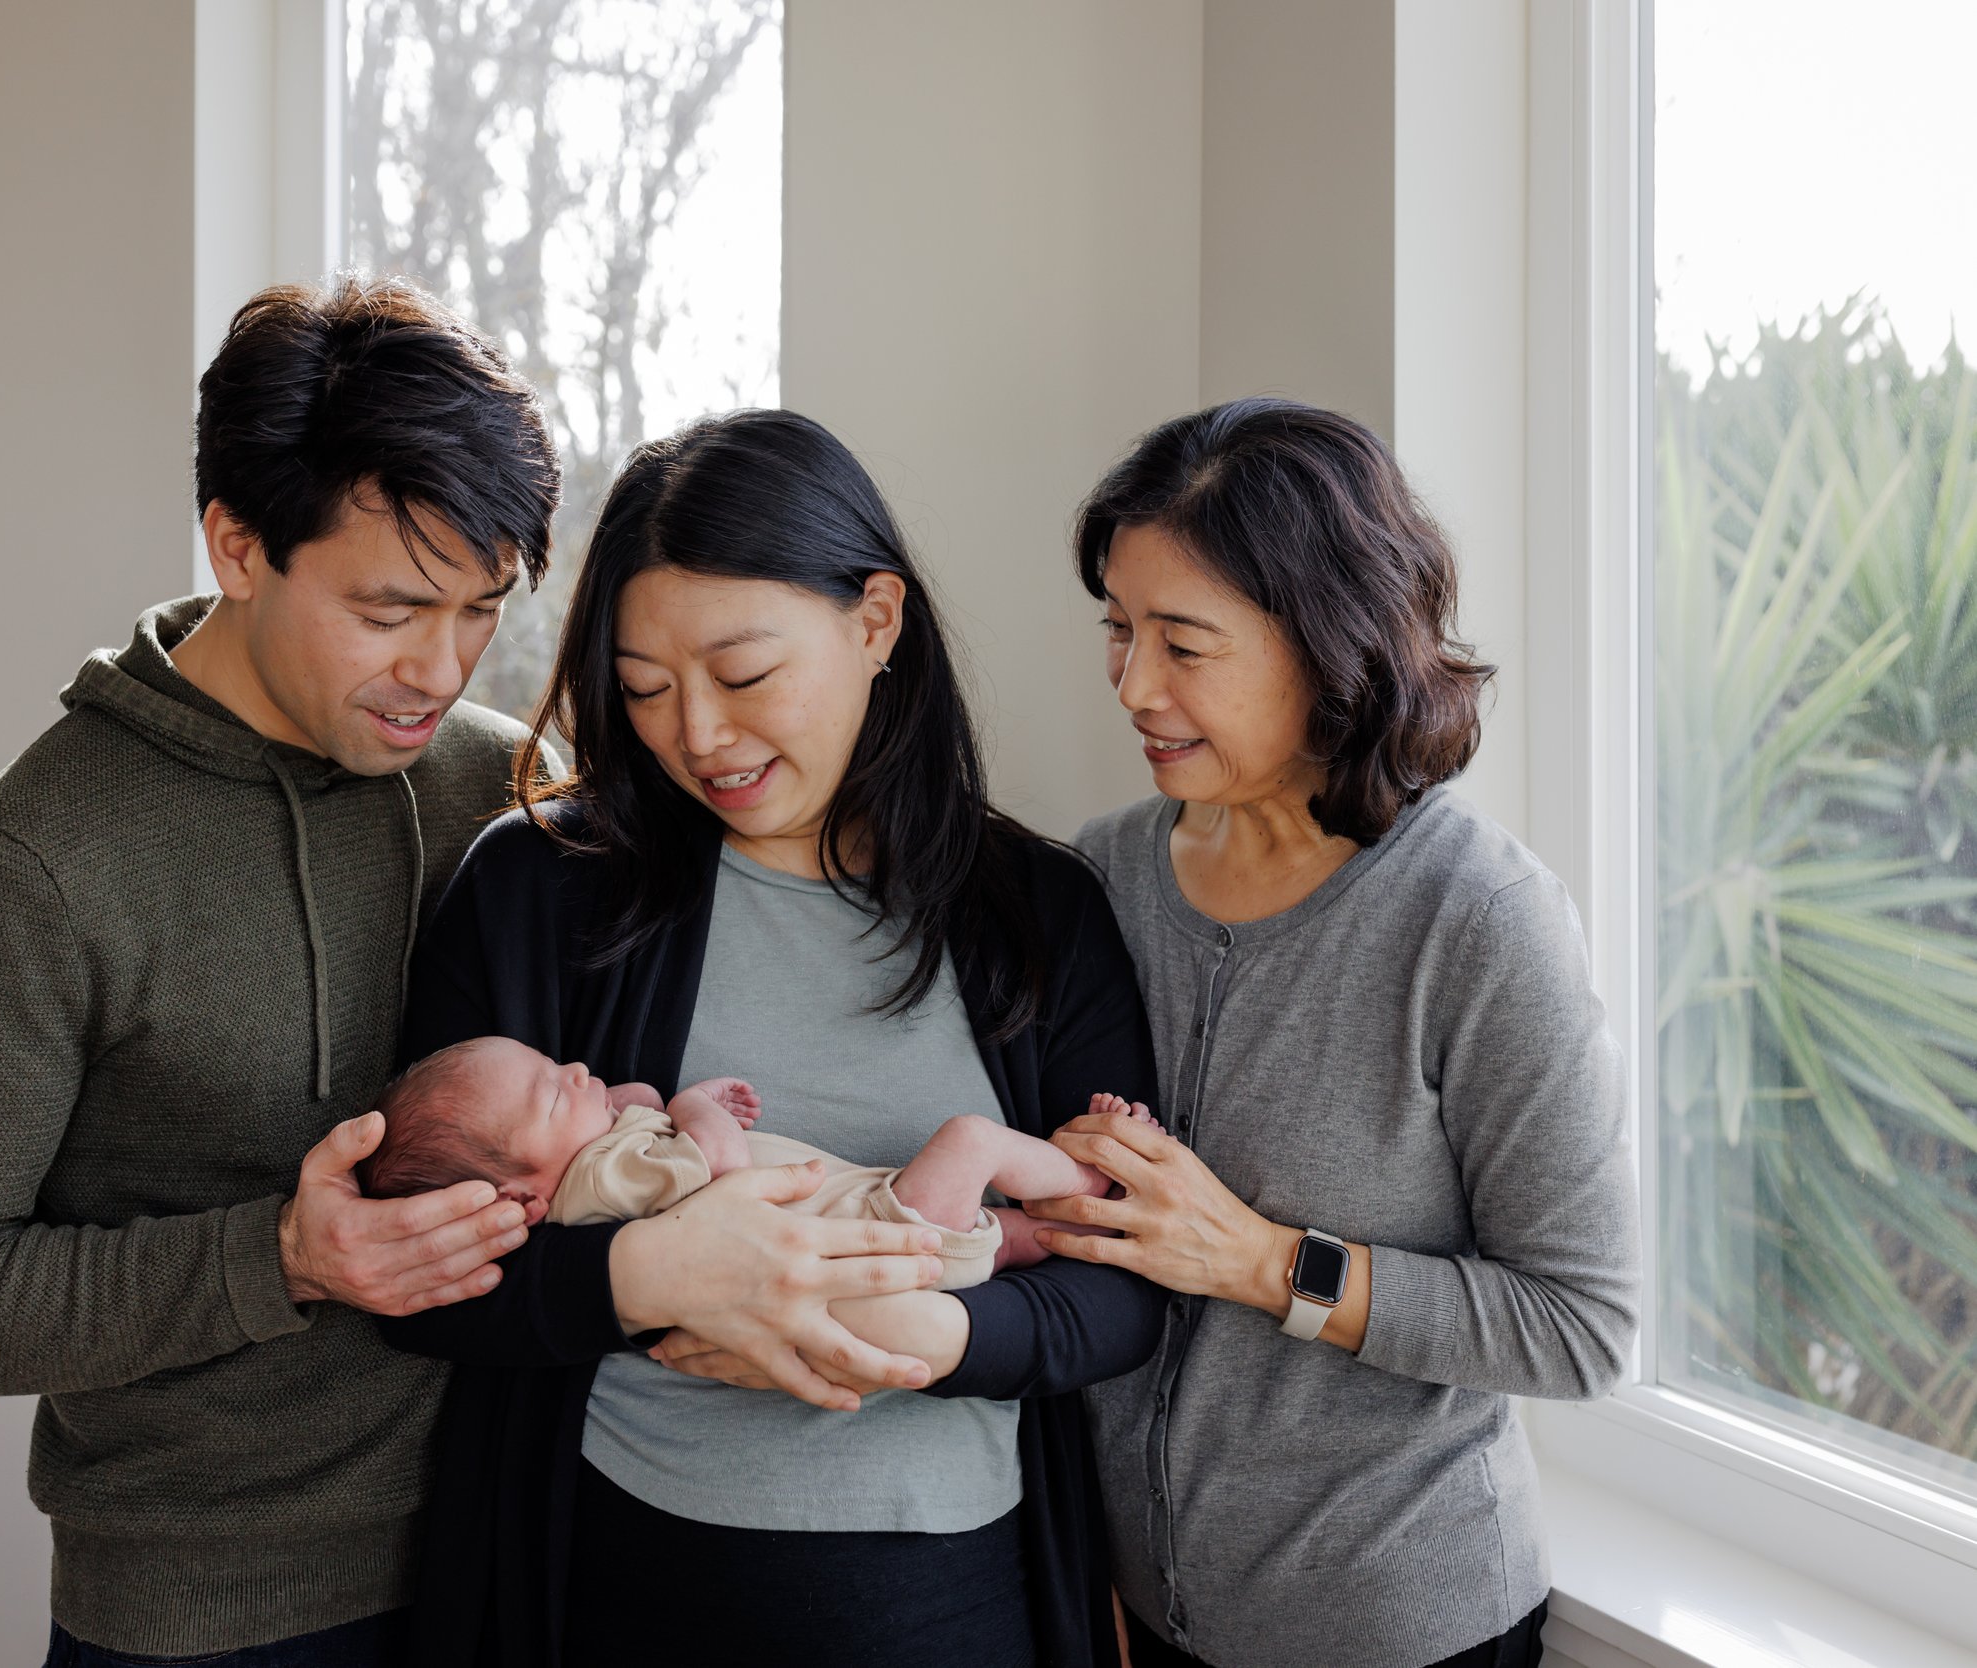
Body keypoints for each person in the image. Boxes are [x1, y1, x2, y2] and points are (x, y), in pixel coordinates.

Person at [0, 278, 561, 1666]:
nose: (441, 663)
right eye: (393, 607)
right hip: (208, 1619)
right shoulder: (25, 869)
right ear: (237, 544)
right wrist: (280, 1257)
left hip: (513, 1553)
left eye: (482, 608)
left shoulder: (505, 788)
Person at [378, 409, 1168, 1668]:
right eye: (644, 691)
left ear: (875, 622)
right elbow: (414, 1278)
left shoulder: (1039, 915)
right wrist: (651, 1281)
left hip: (951, 1599)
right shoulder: (537, 890)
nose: (697, 733)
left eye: (743, 676)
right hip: (608, 1575)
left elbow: (1129, 1286)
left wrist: (940, 1339)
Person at [1025, 398, 1640, 1668]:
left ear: (1326, 642)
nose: (1133, 685)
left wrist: (1255, 1260)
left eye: (1184, 644)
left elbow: (1579, 1325)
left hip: (1402, 1629)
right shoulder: (1098, 878)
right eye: (1118, 631)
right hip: (1137, 1617)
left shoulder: (1478, 921)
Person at [360, 1036, 1139, 1284]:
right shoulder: (600, 1178)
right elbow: (722, 1168)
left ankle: (1093, 1229)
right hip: (876, 1223)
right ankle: (1095, 1178)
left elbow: (633, 1098)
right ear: (520, 1201)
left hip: (881, 1224)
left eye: (548, 1061)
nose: (570, 1072)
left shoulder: (597, 1174)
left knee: (1016, 1234)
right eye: (549, 1095)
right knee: (972, 1139)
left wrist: (603, 1098)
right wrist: (696, 1104)